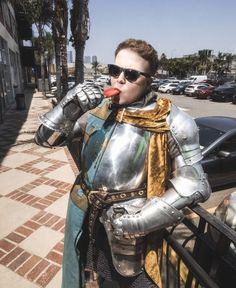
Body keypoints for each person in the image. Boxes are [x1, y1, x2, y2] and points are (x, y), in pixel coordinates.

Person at [35, 38, 211, 288]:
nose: (118, 79)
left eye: (130, 75)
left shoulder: (172, 121)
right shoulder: (101, 109)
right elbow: (46, 139)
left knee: (128, 281)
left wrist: (138, 222)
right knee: (93, 272)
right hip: (85, 211)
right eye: (114, 70)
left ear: (149, 80)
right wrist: (69, 105)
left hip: (127, 226)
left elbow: (195, 184)